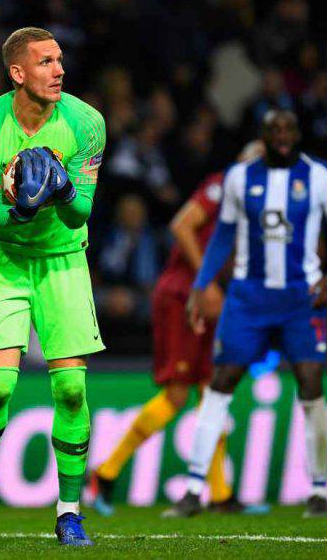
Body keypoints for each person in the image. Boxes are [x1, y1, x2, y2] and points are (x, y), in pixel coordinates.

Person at [0, 27, 105, 547]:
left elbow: (81, 213)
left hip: (62, 258)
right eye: (45, 62)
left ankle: (69, 514)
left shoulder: (86, 123)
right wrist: (26, 202)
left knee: (72, 389)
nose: (59, 70)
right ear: (17, 73)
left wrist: (61, 189)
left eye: (60, 60)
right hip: (2, 258)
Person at [172, 110, 327, 518]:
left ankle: (319, 490)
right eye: (274, 129)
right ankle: (193, 490)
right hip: (248, 298)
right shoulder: (239, 178)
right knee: (221, 381)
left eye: (289, 128)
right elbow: (222, 236)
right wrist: (202, 285)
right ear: (264, 135)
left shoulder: (321, 176)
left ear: (299, 133)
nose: (282, 135)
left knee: (310, 381)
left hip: (301, 299)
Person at [86, 142, 265, 518]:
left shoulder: (253, 206)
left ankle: (220, 494)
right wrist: (206, 281)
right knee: (178, 394)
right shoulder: (220, 186)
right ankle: (106, 472)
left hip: (209, 297)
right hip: (182, 296)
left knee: (212, 392)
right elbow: (182, 225)